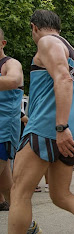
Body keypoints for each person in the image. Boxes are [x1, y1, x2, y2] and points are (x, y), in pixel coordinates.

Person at [8, 10, 74, 234]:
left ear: (34, 27)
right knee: (61, 195)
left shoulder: (47, 42)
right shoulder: (73, 53)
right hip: (68, 131)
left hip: (49, 127)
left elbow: (63, 79)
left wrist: (61, 126)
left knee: (19, 192)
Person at [0, 26, 23, 213]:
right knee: (7, 187)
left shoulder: (10, 64)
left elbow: (14, 80)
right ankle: (29, 226)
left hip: (3, 131)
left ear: (3, 43)